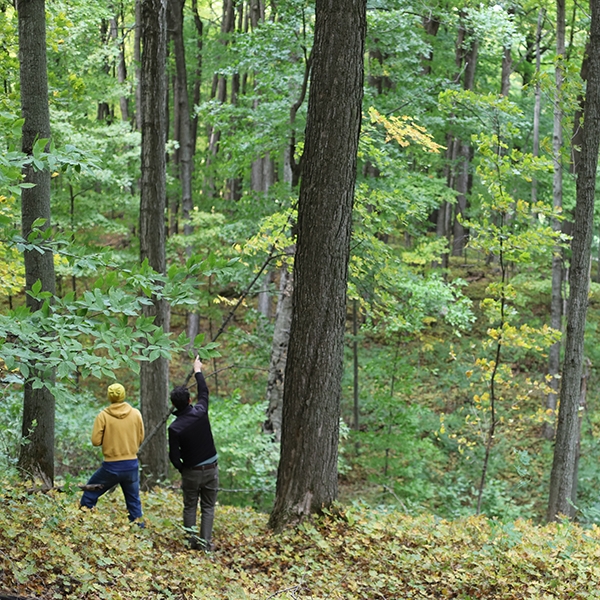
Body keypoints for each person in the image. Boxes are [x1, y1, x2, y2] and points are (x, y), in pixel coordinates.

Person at [168, 357, 218, 551]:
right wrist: (197, 370)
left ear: (174, 404)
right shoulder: (200, 411)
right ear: (190, 400)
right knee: (208, 507)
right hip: (211, 468)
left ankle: (190, 542)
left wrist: (184, 469)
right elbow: (204, 391)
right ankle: (206, 545)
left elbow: (174, 456)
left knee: (190, 506)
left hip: (191, 471)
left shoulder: (174, 428)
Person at [80, 383, 145, 525]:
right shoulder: (136, 414)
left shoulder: (103, 416)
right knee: (133, 501)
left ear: (109, 396)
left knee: (90, 492)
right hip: (131, 464)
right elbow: (141, 438)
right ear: (123, 395)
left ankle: (83, 522)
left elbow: (96, 441)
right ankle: (139, 530)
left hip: (111, 466)